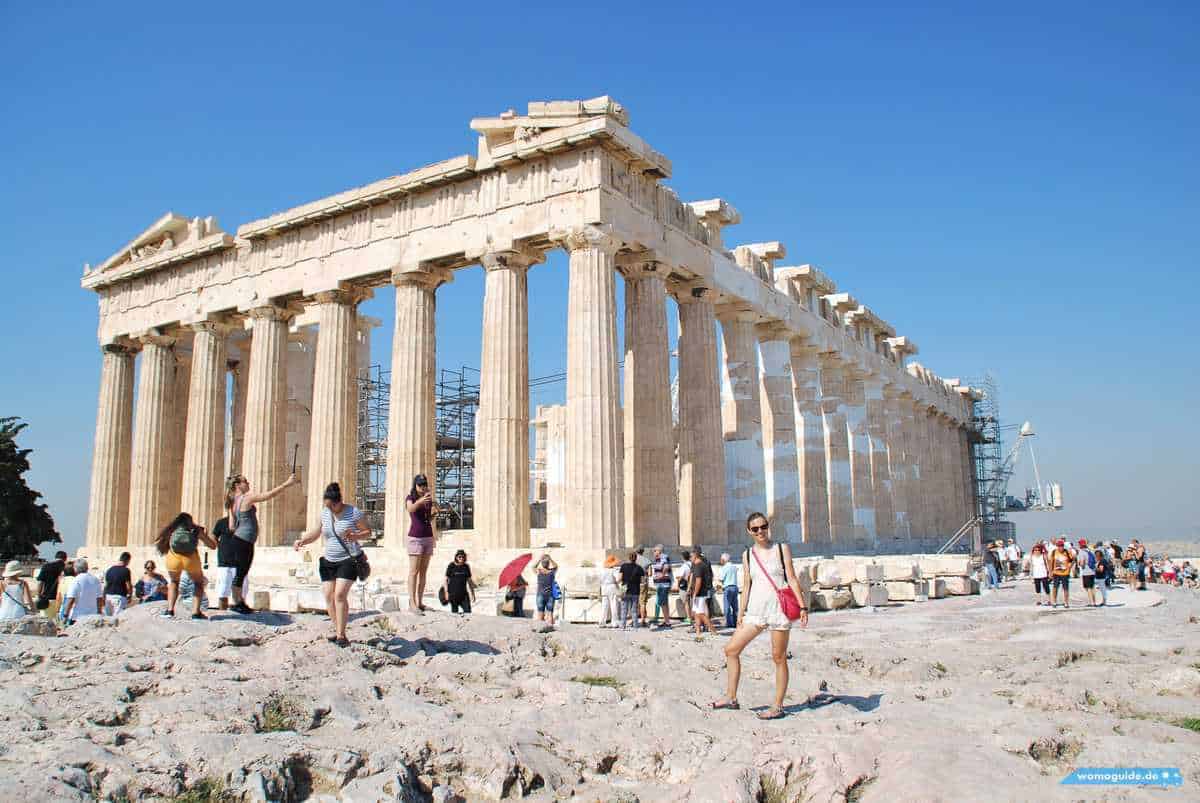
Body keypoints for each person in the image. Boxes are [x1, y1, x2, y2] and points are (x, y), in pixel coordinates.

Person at [712, 512, 809, 720]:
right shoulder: (747, 555)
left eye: (763, 527)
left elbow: (791, 578)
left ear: (768, 526)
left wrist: (802, 607)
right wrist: (740, 612)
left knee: (779, 657)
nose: (760, 532)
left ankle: (777, 706)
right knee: (731, 650)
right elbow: (746, 585)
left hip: (779, 610)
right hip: (756, 611)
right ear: (749, 531)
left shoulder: (781, 549)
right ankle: (731, 697)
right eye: (755, 529)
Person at [294, 482, 370, 646]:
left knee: (340, 595)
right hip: (329, 560)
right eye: (326, 506)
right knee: (328, 596)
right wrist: (303, 541)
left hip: (348, 559)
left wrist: (355, 536)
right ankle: (337, 630)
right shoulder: (325, 513)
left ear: (338, 502)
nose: (328, 508)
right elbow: (317, 532)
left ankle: (342, 635)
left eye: (330, 506)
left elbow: (367, 532)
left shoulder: (353, 513)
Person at [226, 472, 297, 613]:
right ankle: (237, 602)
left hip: (239, 539)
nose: (248, 483)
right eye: (245, 481)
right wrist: (286, 484)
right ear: (238, 485)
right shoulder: (247, 498)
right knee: (242, 572)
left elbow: (231, 526)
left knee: (241, 572)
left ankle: (238, 601)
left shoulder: (233, 501)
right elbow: (268, 496)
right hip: (245, 540)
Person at [155, 512, 218, 619]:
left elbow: (159, 543)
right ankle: (196, 612)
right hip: (190, 559)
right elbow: (212, 546)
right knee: (198, 583)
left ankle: (170, 611)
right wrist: (204, 534)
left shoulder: (171, 530)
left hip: (173, 559)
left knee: (174, 582)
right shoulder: (195, 530)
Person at [404, 474, 439, 614]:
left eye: (424, 484)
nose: (422, 487)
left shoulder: (428, 499)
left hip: (427, 536)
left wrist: (434, 513)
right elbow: (411, 509)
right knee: (414, 571)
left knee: (423, 572)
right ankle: (412, 603)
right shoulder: (410, 498)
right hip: (415, 538)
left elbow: (426, 518)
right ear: (415, 485)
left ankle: (420, 602)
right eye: (420, 484)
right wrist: (420, 501)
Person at [213, 513, 248, 611]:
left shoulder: (245, 522)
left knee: (241, 594)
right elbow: (214, 536)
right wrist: (222, 547)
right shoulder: (222, 522)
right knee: (222, 593)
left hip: (241, 563)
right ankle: (223, 614)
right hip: (225, 563)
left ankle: (241, 615)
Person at [62, 558, 104, 624]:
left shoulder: (76, 580)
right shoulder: (95, 579)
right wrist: (99, 613)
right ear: (87, 568)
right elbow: (99, 599)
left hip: (78, 617)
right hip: (93, 617)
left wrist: (65, 615)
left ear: (75, 569)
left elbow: (71, 600)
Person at [689, 551, 717, 636]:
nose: (690, 559)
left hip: (700, 593)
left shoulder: (698, 566)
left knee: (700, 613)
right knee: (697, 613)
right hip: (701, 592)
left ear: (695, 556)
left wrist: (695, 593)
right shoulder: (702, 565)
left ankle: (713, 630)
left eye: (691, 557)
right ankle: (698, 631)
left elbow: (698, 581)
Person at [442, 550, 477, 614]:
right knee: (455, 614)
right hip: (453, 595)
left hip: (464, 595)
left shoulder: (466, 566)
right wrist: (446, 593)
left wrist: (473, 594)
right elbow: (446, 580)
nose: (461, 558)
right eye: (459, 557)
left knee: (468, 612)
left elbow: (469, 581)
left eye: (463, 557)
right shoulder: (451, 566)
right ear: (456, 557)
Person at [616, 552, 645, 630]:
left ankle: (623, 626)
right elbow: (642, 581)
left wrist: (616, 584)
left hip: (625, 590)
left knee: (624, 609)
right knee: (634, 609)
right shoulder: (639, 568)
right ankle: (635, 626)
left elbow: (620, 578)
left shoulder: (623, 566)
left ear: (629, 558)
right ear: (636, 558)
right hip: (635, 590)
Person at [35, 550, 68, 615]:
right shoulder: (66, 568)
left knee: (45, 621)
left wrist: (39, 595)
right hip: (61, 600)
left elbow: (40, 583)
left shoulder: (46, 566)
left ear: (55, 557)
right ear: (65, 559)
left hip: (47, 598)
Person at [650, 545, 673, 628]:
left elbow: (666, 567)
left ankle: (667, 621)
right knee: (664, 603)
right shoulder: (658, 559)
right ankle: (666, 620)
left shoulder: (664, 557)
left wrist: (662, 575)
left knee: (663, 602)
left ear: (659, 551)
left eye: (654, 550)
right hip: (661, 584)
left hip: (663, 584)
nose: (653, 552)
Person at [1048, 538, 1074, 609]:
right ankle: (1054, 601)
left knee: (1065, 588)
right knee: (1055, 587)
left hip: (1065, 573)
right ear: (1057, 546)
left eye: (1062, 546)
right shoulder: (1054, 552)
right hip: (1056, 572)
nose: (1060, 547)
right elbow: (1051, 562)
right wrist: (1050, 572)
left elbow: (1072, 560)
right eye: (1059, 546)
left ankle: (1066, 602)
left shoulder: (1067, 552)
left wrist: (1070, 567)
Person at [717, 553, 740, 630]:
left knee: (727, 607)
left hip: (728, 588)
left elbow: (721, 578)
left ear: (723, 560)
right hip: (735, 587)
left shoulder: (725, 567)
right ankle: (736, 622)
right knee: (735, 607)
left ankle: (729, 623)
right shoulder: (734, 567)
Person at [534, 555, 558, 627]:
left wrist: (539, 559)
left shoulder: (539, 571)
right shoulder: (551, 572)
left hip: (540, 595)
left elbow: (533, 567)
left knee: (540, 613)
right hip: (550, 595)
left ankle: (540, 628)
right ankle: (550, 629)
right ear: (548, 563)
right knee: (550, 613)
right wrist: (550, 559)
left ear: (541, 563)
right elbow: (556, 566)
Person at [599, 554, 620, 628]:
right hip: (612, 586)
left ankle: (602, 622)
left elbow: (600, 580)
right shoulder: (614, 570)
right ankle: (614, 622)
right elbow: (617, 579)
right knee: (613, 604)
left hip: (604, 587)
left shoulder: (602, 571)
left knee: (604, 605)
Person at [1076, 539, 1098, 607]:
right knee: (1092, 587)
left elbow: (1082, 563)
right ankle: (1094, 602)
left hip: (1086, 572)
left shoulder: (1081, 552)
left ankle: (1091, 603)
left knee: (1088, 588)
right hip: (1092, 571)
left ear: (1080, 545)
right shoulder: (1090, 551)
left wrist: (1079, 564)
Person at [635, 548, 652, 626]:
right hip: (643, 581)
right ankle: (642, 620)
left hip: (634, 582)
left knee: (635, 600)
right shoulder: (647, 560)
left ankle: (634, 619)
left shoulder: (633, 559)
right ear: (643, 552)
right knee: (643, 602)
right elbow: (650, 573)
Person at [676, 550, 694, 624]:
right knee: (691, 602)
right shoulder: (692, 564)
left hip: (684, 586)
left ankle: (688, 618)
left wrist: (677, 584)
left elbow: (680, 577)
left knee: (686, 602)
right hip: (692, 585)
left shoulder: (684, 566)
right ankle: (692, 617)